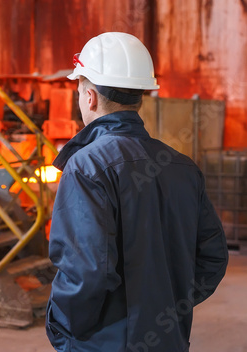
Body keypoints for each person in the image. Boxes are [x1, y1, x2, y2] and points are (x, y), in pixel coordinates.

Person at [45, 32, 229, 352]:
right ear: (140, 96)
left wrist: (61, 327)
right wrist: (170, 307)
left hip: (103, 344)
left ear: (89, 97)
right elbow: (212, 258)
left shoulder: (87, 167)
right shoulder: (182, 166)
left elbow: (86, 272)